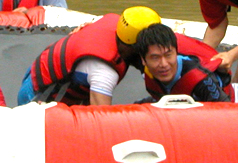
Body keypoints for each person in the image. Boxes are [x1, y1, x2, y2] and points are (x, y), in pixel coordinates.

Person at [18, 6, 161, 106]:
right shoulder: (104, 72)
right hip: (36, 95)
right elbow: (100, 120)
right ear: (136, 49)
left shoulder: (112, 20)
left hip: (39, 67)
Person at [134, 23, 234, 103]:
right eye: (155, 58)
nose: (164, 64)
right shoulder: (149, 75)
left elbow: (226, 111)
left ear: (176, 53)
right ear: (143, 60)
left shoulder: (199, 78)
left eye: (168, 55)